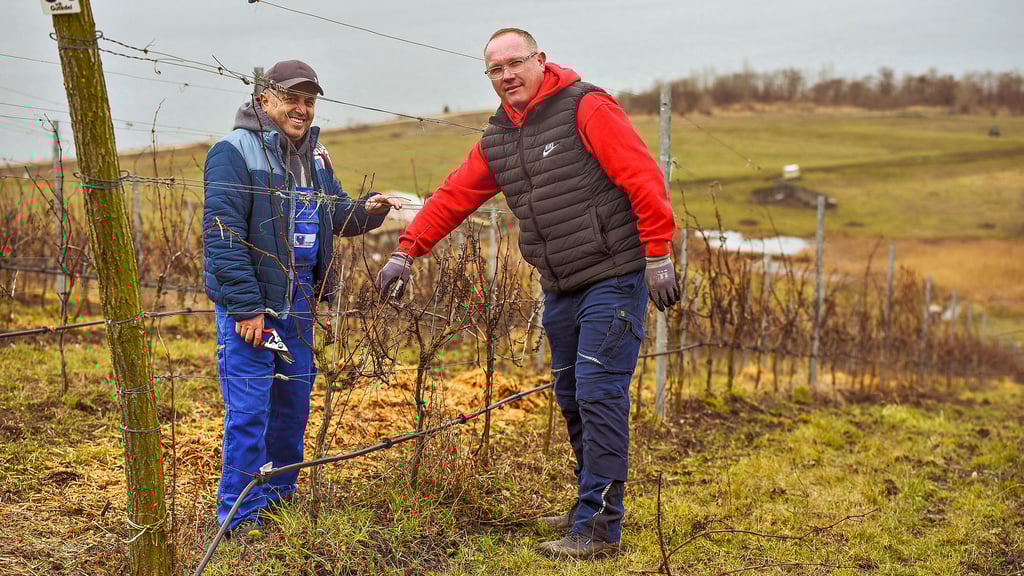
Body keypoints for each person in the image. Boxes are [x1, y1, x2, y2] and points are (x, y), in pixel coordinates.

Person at [375, 29, 680, 559]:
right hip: (560, 286)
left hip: (614, 274)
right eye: (495, 70)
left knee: (599, 394)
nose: (506, 75)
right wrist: (407, 249)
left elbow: (641, 175)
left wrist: (658, 253)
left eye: (515, 63)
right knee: (571, 398)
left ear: (541, 60)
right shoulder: (499, 138)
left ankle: (601, 527)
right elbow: (455, 195)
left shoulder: (586, 108)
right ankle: (591, 507)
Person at [203, 59, 400, 531]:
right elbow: (222, 235)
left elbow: (336, 216)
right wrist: (247, 309)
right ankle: (239, 518)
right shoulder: (234, 151)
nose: (302, 109)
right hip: (256, 310)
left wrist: (372, 210)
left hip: (300, 308)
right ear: (264, 99)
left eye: (309, 101)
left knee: (292, 408)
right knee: (250, 410)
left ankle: (278, 501)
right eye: (292, 99)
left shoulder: (314, 157)